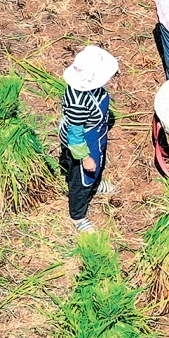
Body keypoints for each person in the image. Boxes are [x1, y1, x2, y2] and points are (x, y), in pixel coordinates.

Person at [59, 46, 120, 233]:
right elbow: (75, 137)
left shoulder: (90, 89)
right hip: (82, 143)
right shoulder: (78, 103)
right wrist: (85, 158)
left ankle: (94, 184)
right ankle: (77, 215)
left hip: (96, 135)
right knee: (80, 179)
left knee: (97, 165)